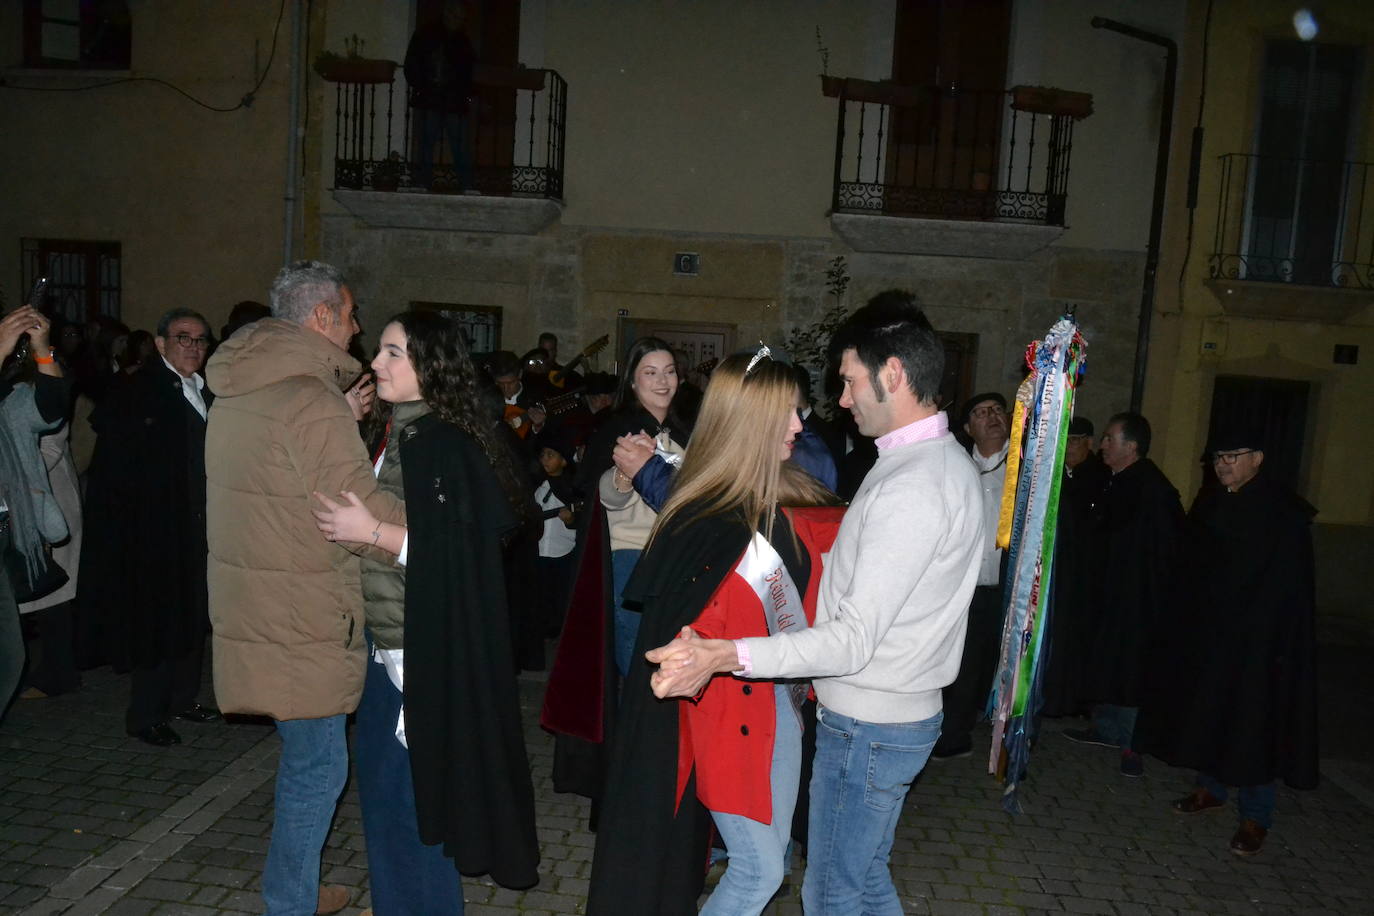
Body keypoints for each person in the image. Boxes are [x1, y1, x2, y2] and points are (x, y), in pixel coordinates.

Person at [647, 291, 985, 915]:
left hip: (869, 722)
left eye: (851, 382)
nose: (843, 400)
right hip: (867, 715)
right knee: (862, 878)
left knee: (833, 892)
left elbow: (851, 638)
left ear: (894, 375)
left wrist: (727, 652)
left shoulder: (914, 483)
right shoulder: (924, 462)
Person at [587, 349, 843, 915]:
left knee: (767, 866)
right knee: (756, 869)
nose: (800, 426)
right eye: (787, 414)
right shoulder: (702, 514)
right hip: (724, 717)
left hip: (778, 709)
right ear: (750, 421)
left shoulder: (783, 492)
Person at [310, 310, 540, 913]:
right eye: (379, 351)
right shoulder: (398, 432)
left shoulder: (444, 441)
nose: (376, 363)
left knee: (419, 806)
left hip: (424, 652)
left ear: (429, 367)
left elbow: (467, 555)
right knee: (388, 802)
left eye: (392, 354)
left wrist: (375, 532)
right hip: (385, 644)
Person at [204, 260, 398, 916]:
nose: (357, 325)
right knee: (318, 767)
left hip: (257, 603)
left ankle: (295, 891)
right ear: (320, 318)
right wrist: (439, 520)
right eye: (348, 314)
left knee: (304, 759)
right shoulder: (310, 400)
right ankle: (289, 903)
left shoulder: (244, 386)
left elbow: (281, 478)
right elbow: (355, 515)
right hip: (302, 611)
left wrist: (339, 418)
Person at [1135, 423, 1318, 856]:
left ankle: (1256, 816)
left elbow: (1288, 590)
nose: (1222, 466)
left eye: (1232, 457)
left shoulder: (1283, 513)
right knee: (1209, 711)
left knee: (1253, 724)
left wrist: (1259, 632)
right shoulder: (1211, 502)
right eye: (1217, 458)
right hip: (1210, 637)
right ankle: (1210, 788)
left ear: (1258, 458)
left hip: (1259, 644)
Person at [541, 337, 690, 800]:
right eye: (651, 372)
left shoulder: (692, 429)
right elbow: (603, 496)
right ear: (632, 378)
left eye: (669, 371)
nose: (662, 381)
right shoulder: (617, 428)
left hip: (677, 562)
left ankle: (660, 767)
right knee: (635, 669)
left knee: (670, 666)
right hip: (629, 557)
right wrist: (624, 475)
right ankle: (632, 775)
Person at [78, 309, 218, 745]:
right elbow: (118, 463)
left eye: (199, 340)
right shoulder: (141, 390)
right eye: (182, 338)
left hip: (196, 526)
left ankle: (182, 697)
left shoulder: (206, 390)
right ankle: (145, 714)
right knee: (157, 619)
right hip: (155, 529)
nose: (192, 347)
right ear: (160, 344)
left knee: (193, 613)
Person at [1065, 412, 1183, 778]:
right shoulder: (1114, 481)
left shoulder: (1154, 490)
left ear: (1130, 447)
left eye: (1109, 439)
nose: (1102, 445)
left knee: (1131, 669)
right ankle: (1104, 728)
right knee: (1106, 660)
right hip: (1109, 595)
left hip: (1136, 600)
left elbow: (1166, 552)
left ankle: (1132, 743)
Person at [932, 391, 1011, 759]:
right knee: (963, 662)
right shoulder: (957, 465)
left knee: (1007, 664)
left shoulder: (1025, 469)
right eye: (981, 412)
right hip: (964, 586)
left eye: (997, 410)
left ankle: (1011, 741)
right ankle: (954, 736)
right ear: (967, 427)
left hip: (1011, 585)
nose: (992, 416)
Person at [0, 305, 68, 720]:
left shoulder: (9, 401)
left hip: (7, 532)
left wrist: (42, 351)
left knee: (9, 658)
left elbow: (52, 408)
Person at [1041, 416, 1109, 718]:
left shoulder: (1100, 478)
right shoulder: (1055, 474)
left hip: (1084, 575)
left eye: (1077, 440)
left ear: (1090, 443)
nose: (1070, 447)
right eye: (1066, 439)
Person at [404, 1, 476, 191]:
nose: (458, 21)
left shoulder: (462, 40)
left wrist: (466, 94)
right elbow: (411, 64)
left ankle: (466, 184)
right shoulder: (426, 35)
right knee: (427, 142)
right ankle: (423, 182)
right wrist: (422, 86)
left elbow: (468, 72)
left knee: (458, 144)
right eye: (455, 16)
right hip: (431, 98)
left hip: (452, 100)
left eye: (461, 18)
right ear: (446, 13)